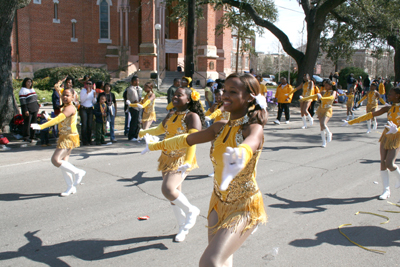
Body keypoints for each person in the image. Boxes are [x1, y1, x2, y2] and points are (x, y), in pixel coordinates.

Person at [142, 73, 267, 266]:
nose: (224, 95)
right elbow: (187, 139)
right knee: (223, 262)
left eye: (232, 92)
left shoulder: (252, 128)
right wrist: (154, 145)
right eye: (224, 90)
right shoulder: (220, 126)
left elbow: (250, 143)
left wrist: (241, 154)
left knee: (210, 261)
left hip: (244, 206)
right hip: (217, 203)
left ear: (249, 97)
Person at [138, 87, 205, 242]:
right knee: (174, 196)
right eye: (174, 95)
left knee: (168, 189)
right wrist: (143, 132)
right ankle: (183, 227)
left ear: (188, 99)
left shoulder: (192, 117)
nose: (175, 97)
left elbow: (192, 140)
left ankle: (191, 210)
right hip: (167, 157)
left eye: (179, 95)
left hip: (182, 159)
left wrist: (188, 161)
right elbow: (159, 130)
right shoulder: (171, 114)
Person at [344, 87, 400, 200]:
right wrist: (351, 122)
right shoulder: (388, 108)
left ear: (398, 96)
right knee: (383, 162)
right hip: (385, 135)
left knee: (390, 163)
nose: (388, 96)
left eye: (390, 94)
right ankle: (386, 190)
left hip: (396, 137)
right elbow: (370, 115)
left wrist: (397, 130)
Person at [31, 87, 85, 197]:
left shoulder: (70, 108)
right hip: (64, 136)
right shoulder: (66, 107)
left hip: (68, 137)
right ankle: (70, 187)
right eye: (63, 95)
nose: (65, 97)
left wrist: (41, 126)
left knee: (55, 160)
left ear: (73, 97)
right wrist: (49, 119)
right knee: (64, 163)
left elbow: (58, 119)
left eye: (67, 95)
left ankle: (78, 172)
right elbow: (60, 120)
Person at [300, 79, 337, 148]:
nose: (325, 87)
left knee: (323, 123)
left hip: (327, 109)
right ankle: (324, 142)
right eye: (325, 85)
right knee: (321, 126)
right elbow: (314, 96)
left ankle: (329, 133)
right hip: (321, 109)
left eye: (327, 85)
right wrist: (304, 99)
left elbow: (332, 98)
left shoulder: (333, 92)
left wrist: (322, 99)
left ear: (331, 85)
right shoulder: (323, 92)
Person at [19, 78, 40, 142]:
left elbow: (35, 99)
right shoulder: (23, 90)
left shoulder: (32, 89)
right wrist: (25, 110)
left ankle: (33, 136)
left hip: (34, 108)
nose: (29, 83)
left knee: (34, 123)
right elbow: (23, 102)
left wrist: (37, 106)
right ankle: (26, 136)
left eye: (30, 82)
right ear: (25, 82)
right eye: (28, 82)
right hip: (28, 109)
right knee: (27, 123)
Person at [79, 80, 97, 145]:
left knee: (90, 125)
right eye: (87, 84)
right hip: (84, 108)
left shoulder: (93, 91)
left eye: (90, 84)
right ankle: (84, 140)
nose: (89, 85)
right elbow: (82, 100)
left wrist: (94, 96)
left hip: (90, 108)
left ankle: (89, 139)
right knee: (84, 125)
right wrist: (87, 93)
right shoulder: (83, 91)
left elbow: (94, 102)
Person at [126, 76, 142, 142]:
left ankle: (136, 134)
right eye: (137, 81)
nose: (138, 82)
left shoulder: (138, 88)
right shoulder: (130, 89)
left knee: (137, 122)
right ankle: (131, 135)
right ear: (134, 81)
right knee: (134, 122)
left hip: (138, 107)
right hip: (133, 107)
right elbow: (134, 100)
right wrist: (138, 101)